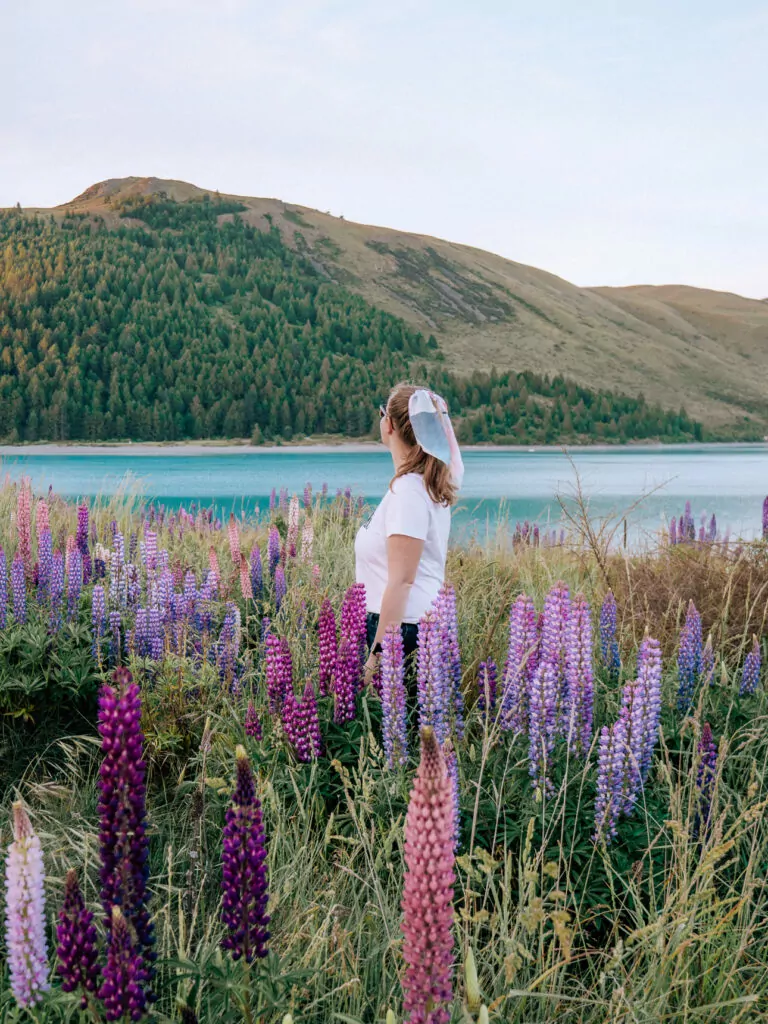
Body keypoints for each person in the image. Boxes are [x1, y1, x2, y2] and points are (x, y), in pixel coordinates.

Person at [354, 381, 464, 694]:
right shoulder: (421, 485)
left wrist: (376, 658)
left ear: (389, 425)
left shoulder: (409, 492)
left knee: (402, 737)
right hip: (412, 627)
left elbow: (401, 581)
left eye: (381, 412)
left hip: (403, 631)